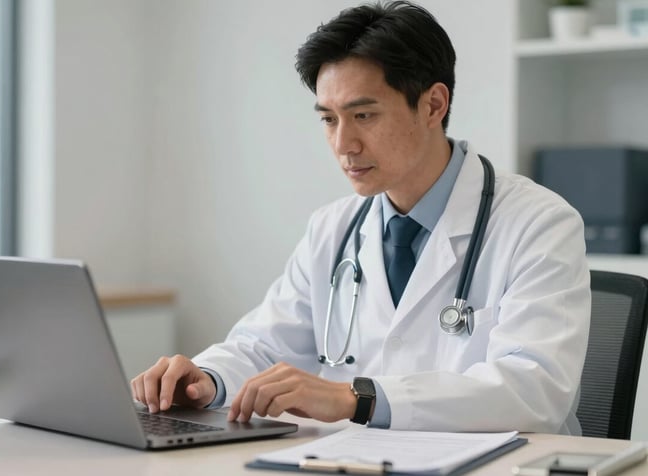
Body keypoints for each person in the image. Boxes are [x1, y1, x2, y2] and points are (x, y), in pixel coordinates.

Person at [132, 1, 590, 434]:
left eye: (364, 115)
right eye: (329, 119)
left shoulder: (539, 224)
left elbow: (535, 390)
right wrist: (205, 379)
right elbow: (265, 345)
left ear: (434, 105)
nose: (343, 144)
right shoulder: (333, 228)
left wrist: (360, 399)